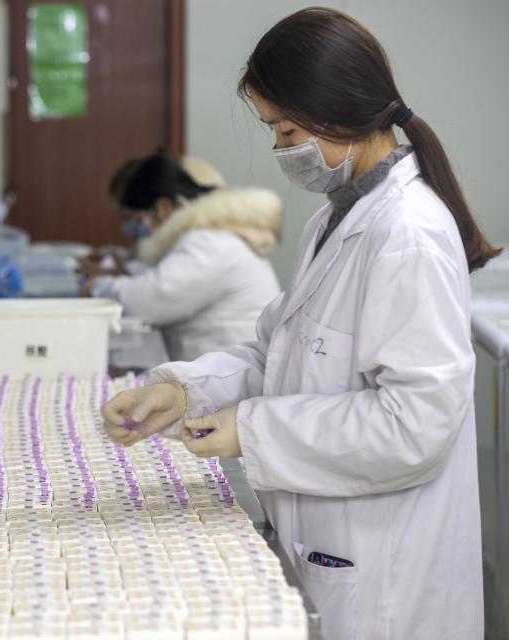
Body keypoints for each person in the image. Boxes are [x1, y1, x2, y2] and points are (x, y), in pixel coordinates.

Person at [102, 8, 495, 640]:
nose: (282, 150)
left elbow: (416, 423)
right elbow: (275, 353)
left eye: (287, 130)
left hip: (384, 575)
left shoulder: (406, 234)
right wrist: (183, 390)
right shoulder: (334, 222)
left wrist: (250, 430)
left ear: (339, 110)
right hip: (333, 541)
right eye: (275, 132)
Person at [82, 153, 283, 362]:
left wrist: (99, 287)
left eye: (135, 218)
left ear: (163, 208)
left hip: (233, 382)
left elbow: (148, 302)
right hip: (224, 372)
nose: (130, 228)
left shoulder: (209, 243)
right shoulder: (209, 237)